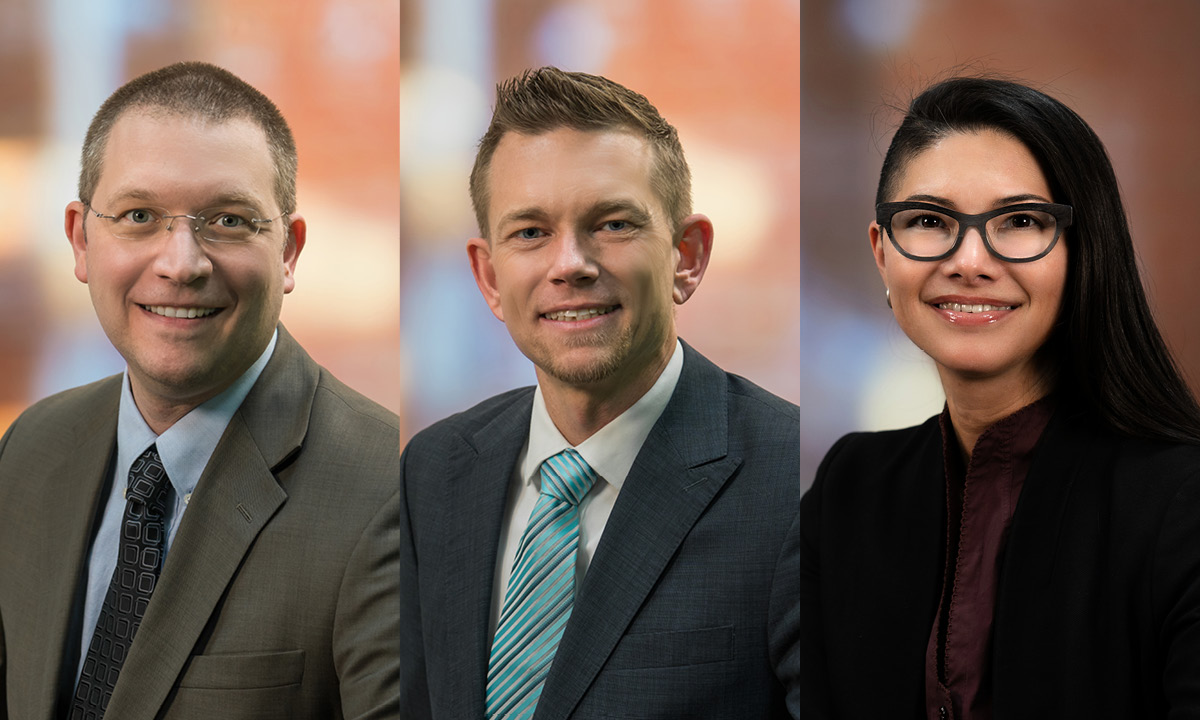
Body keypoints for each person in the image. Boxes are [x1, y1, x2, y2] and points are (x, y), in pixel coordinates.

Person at [0, 62, 399, 720]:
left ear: (290, 252)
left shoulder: (389, 492)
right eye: (138, 215)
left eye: (229, 220)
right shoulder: (30, 450)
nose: (181, 263)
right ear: (80, 239)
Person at [399, 67, 801, 719]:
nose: (570, 264)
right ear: (489, 276)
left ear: (687, 255)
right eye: (530, 232)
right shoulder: (434, 471)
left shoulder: (796, 482)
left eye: (612, 224)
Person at [800, 76, 1200, 719]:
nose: (970, 259)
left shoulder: (1181, 502)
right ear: (882, 253)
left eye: (1020, 221)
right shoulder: (851, 489)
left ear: (1082, 251)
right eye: (930, 221)